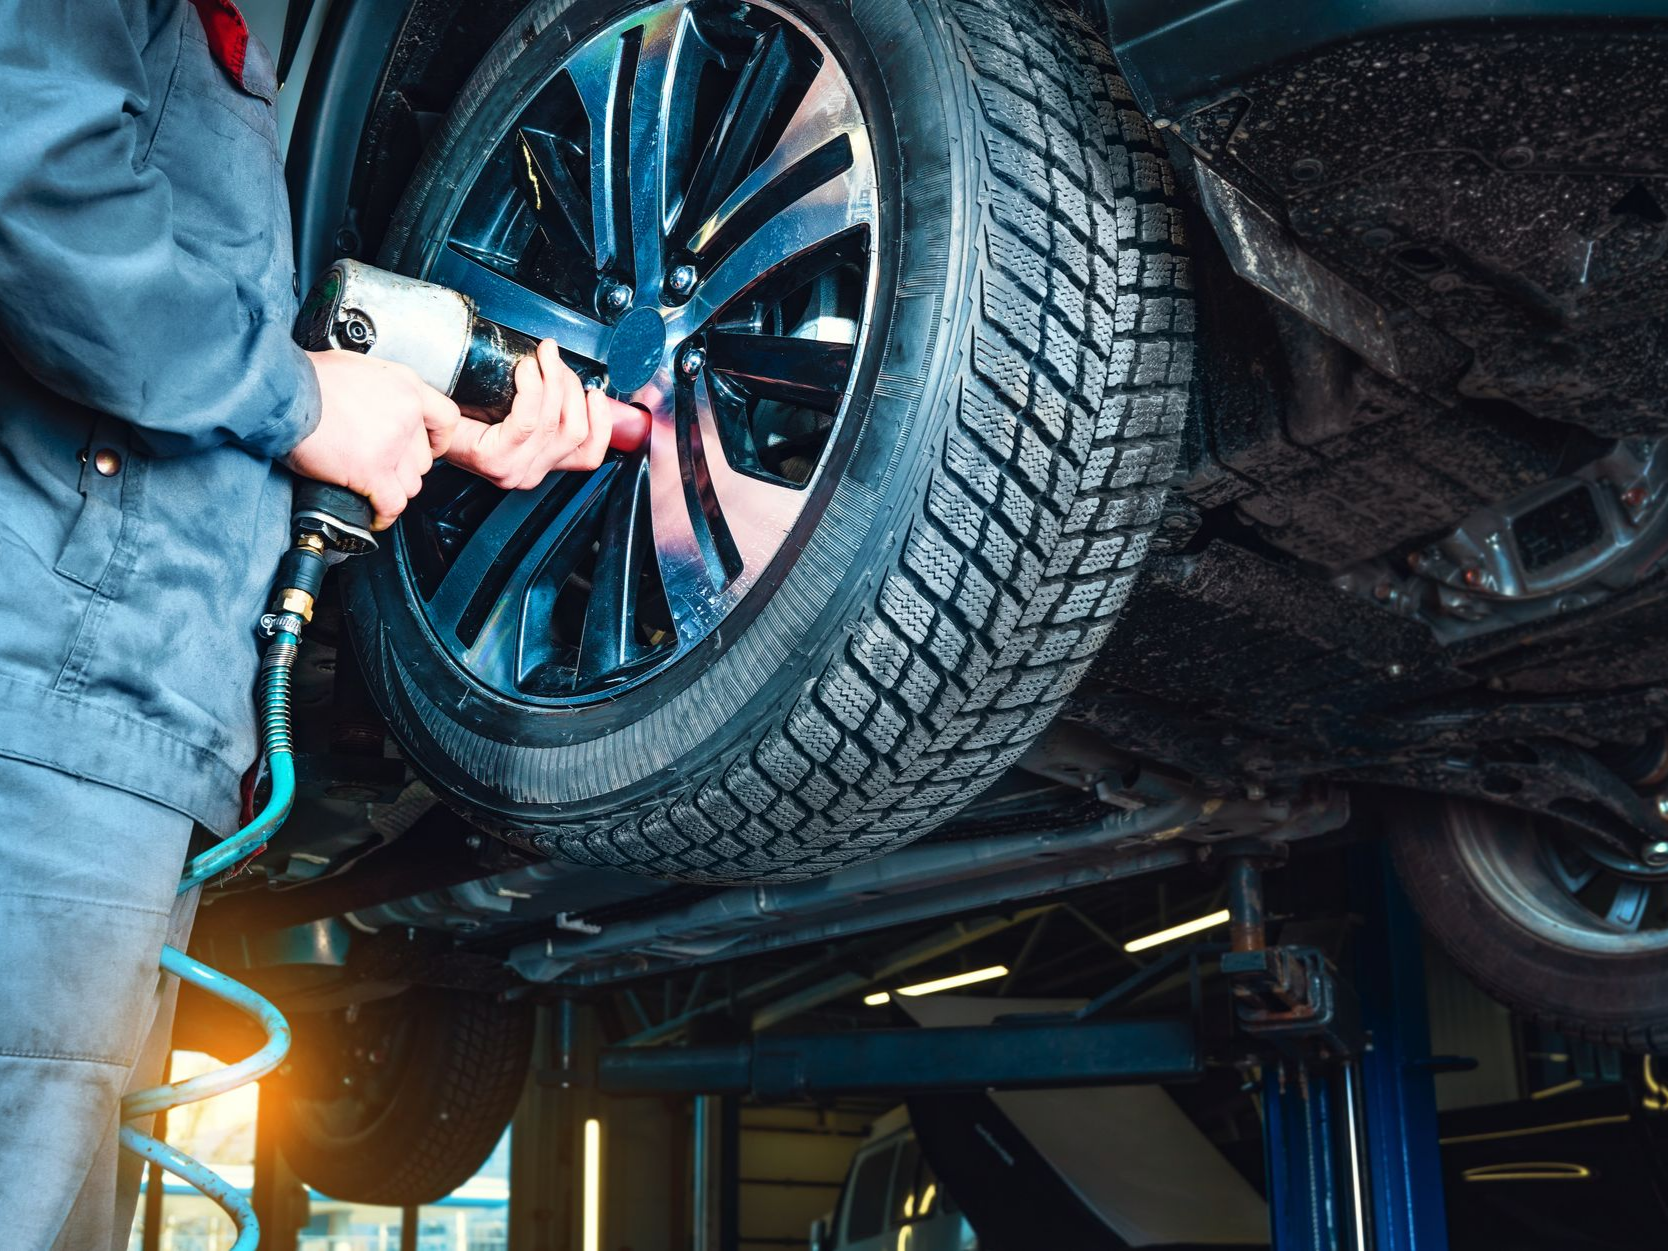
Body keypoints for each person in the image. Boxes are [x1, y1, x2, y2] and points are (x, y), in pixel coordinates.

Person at [0, 2, 626, 1246]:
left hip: (124, 732)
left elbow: (194, 345)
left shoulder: (228, 54)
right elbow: (28, 168)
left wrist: (417, 415)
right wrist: (293, 399)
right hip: (47, 720)